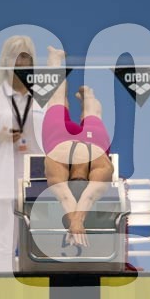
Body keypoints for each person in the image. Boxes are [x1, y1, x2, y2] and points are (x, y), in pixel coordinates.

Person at [0, 36, 45, 271]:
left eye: (25, 57)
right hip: (4, 182)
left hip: (38, 181)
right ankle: (3, 288)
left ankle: (37, 290)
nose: (21, 63)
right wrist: (0, 136)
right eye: (15, 57)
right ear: (5, 61)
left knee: (39, 244)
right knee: (4, 245)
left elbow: (55, 137)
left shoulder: (44, 97)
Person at [42, 46, 114, 247]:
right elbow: (78, 197)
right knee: (61, 101)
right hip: (66, 139)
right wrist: (76, 223)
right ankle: (57, 61)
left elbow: (77, 197)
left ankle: (87, 94)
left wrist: (76, 222)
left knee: (89, 111)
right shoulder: (101, 165)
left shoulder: (100, 165)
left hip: (81, 141)